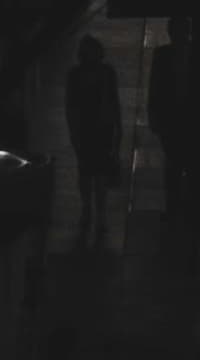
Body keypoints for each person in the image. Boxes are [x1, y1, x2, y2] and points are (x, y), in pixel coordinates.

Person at [148, 21, 200, 227]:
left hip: (186, 117)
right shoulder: (167, 55)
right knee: (177, 164)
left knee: (183, 165)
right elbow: (155, 86)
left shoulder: (181, 54)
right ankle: (178, 206)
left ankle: (180, 207)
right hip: (173, 118)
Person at [63, 32, 121, 250]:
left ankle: (90, 210)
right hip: (95, 129)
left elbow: (71, 105)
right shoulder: (105, 73)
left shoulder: (77, 75)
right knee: (95, 173)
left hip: (92, 130)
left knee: (90, 172)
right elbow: (113, 102)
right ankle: (96, 211)